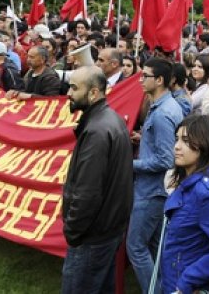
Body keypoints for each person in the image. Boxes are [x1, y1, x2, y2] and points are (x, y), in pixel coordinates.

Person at [61, 66, 133, 293]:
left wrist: (72, 231)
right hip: (106, 230)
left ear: (93, 93)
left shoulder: (97, 131)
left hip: (92, 236)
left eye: (74, 88)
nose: (68, 93)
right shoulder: (108, 120)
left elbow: (87, 192)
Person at [161, 114, 209, 294]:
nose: (177, 146)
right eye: (177, 139)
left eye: (186, 141)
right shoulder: (190, 183)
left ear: (205, 145)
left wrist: (188, 279)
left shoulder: (207, 195)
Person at [127, 57, 184, 294]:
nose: (141, 80)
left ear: (159, 80)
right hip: (156, 190)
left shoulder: (162, 114)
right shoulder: (163, 106)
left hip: (152, 191)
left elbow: (166, 160)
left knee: (136, 248)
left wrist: (130, 164)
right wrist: (144, 139)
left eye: (145, 76)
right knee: (152, 248)